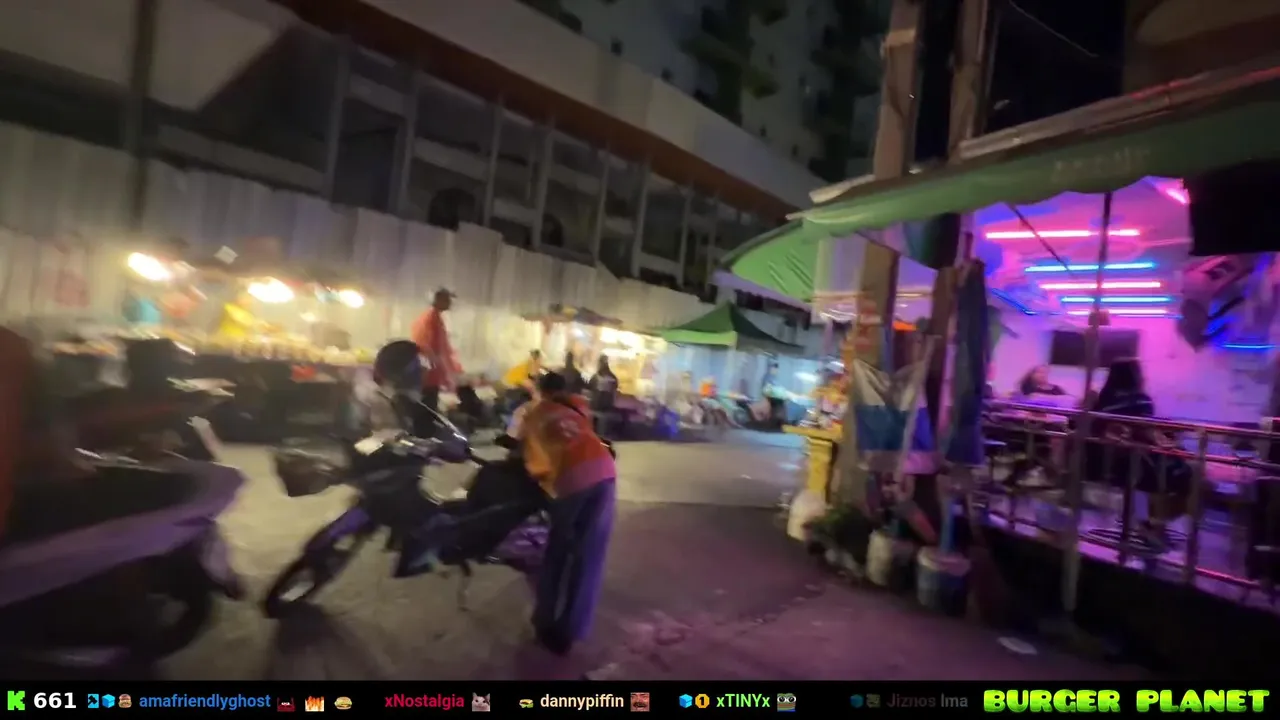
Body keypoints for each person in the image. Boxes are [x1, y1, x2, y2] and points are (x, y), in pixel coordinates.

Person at [517, 371, 616, 655]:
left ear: (540, 390)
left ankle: (545, 622)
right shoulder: (577, 407)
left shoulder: (534, 413)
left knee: (556, 554)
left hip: (572, 480)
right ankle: (570, 632)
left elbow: (530, 460)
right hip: (605, 472)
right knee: (588, 557)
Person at [1088, 357, 1191, 549]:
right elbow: (1147, 431)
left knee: (1138, 468)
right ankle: (1151, 520)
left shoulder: (1103, 399)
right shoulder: (1140, 399)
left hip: (1102, 459)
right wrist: (1170, 445)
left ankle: (1142, 520)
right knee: (1178, 469)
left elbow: (1097, 429)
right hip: (1135, 458)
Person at [410, 289, 461, 412]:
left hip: (431, 375)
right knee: (427, 409)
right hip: (428, 377)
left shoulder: (435, 317)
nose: (450, 303)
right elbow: (426, 347)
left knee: (429, 407)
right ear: (438, 300)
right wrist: (441, 369)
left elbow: (442, 347)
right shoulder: (430, 318)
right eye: (447, 300)